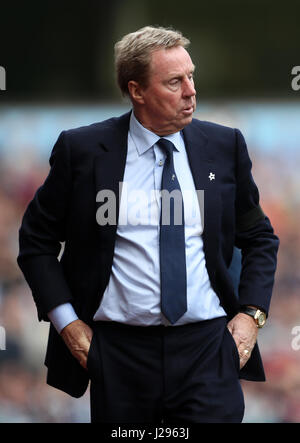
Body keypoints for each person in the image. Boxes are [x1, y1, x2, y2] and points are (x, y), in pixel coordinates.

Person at [17, 26, 279, 423]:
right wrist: (68, 325)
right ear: (137, 90)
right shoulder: (83, 151)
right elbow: (36, 241)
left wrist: (251, 316)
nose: (191, 91)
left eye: (191, 76)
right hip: (118, 355)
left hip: (207, 349)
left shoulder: (224, 146)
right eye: (175, 81)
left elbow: (259, 236)